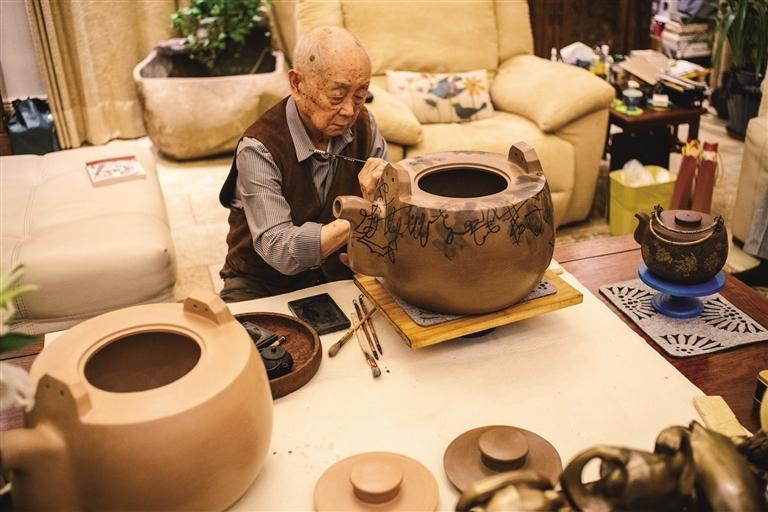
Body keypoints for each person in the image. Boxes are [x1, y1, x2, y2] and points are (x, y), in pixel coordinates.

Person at [218, 26, 388, 302]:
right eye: (336, 96)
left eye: (359, 96)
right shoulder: (259, 147)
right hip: (262, 282)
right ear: (297, 84)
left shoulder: (365, 125)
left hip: (337, 273)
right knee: (239, 330)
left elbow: (391, 210)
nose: (349, 111)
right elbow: (279, 250)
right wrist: (363, 213)